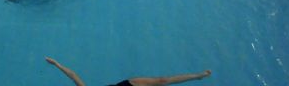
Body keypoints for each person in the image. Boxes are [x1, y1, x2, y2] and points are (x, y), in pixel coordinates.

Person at [45, 57, 212, 86]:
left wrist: (57, 64)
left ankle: (197, 76)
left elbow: (73, 75)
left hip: (128, 85)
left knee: (162, 81)